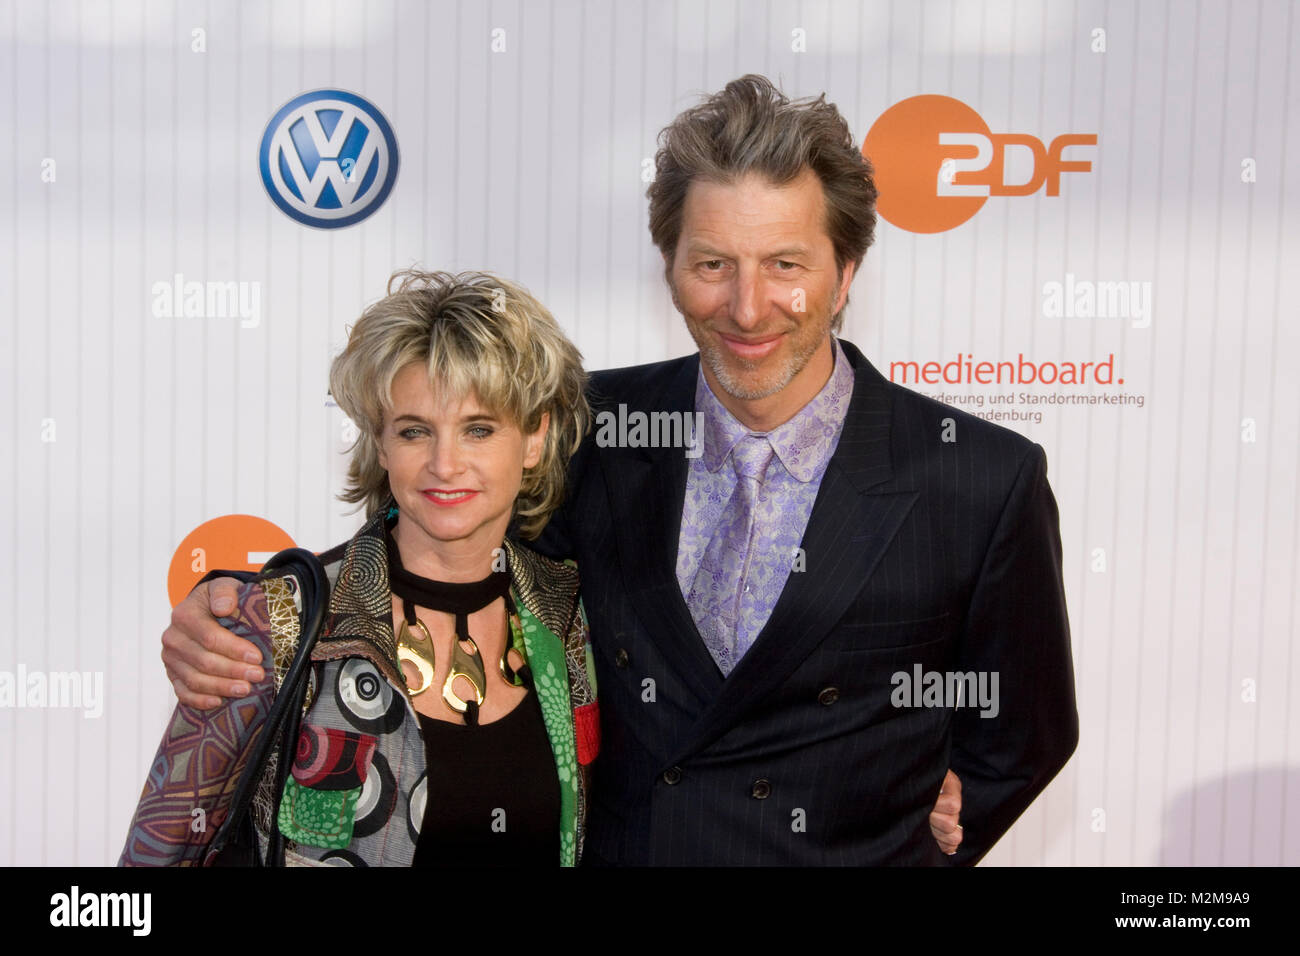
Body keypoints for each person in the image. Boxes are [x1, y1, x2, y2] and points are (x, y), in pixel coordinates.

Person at [165, 74, 1074, 864]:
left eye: (785, 264)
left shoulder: (978, 481)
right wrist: (252, 615)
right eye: (712, 263)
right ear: (670, 268)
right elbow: (431, 536)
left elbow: (1024, 736)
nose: (748, 306)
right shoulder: (588, 427)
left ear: (846, 274)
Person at [122, 271, 600, 866]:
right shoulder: (282, 616)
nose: (445, 464)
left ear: (534, 439)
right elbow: (163, 846)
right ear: (380, 443)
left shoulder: (566, 613)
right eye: (414, 431)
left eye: (478, 429)